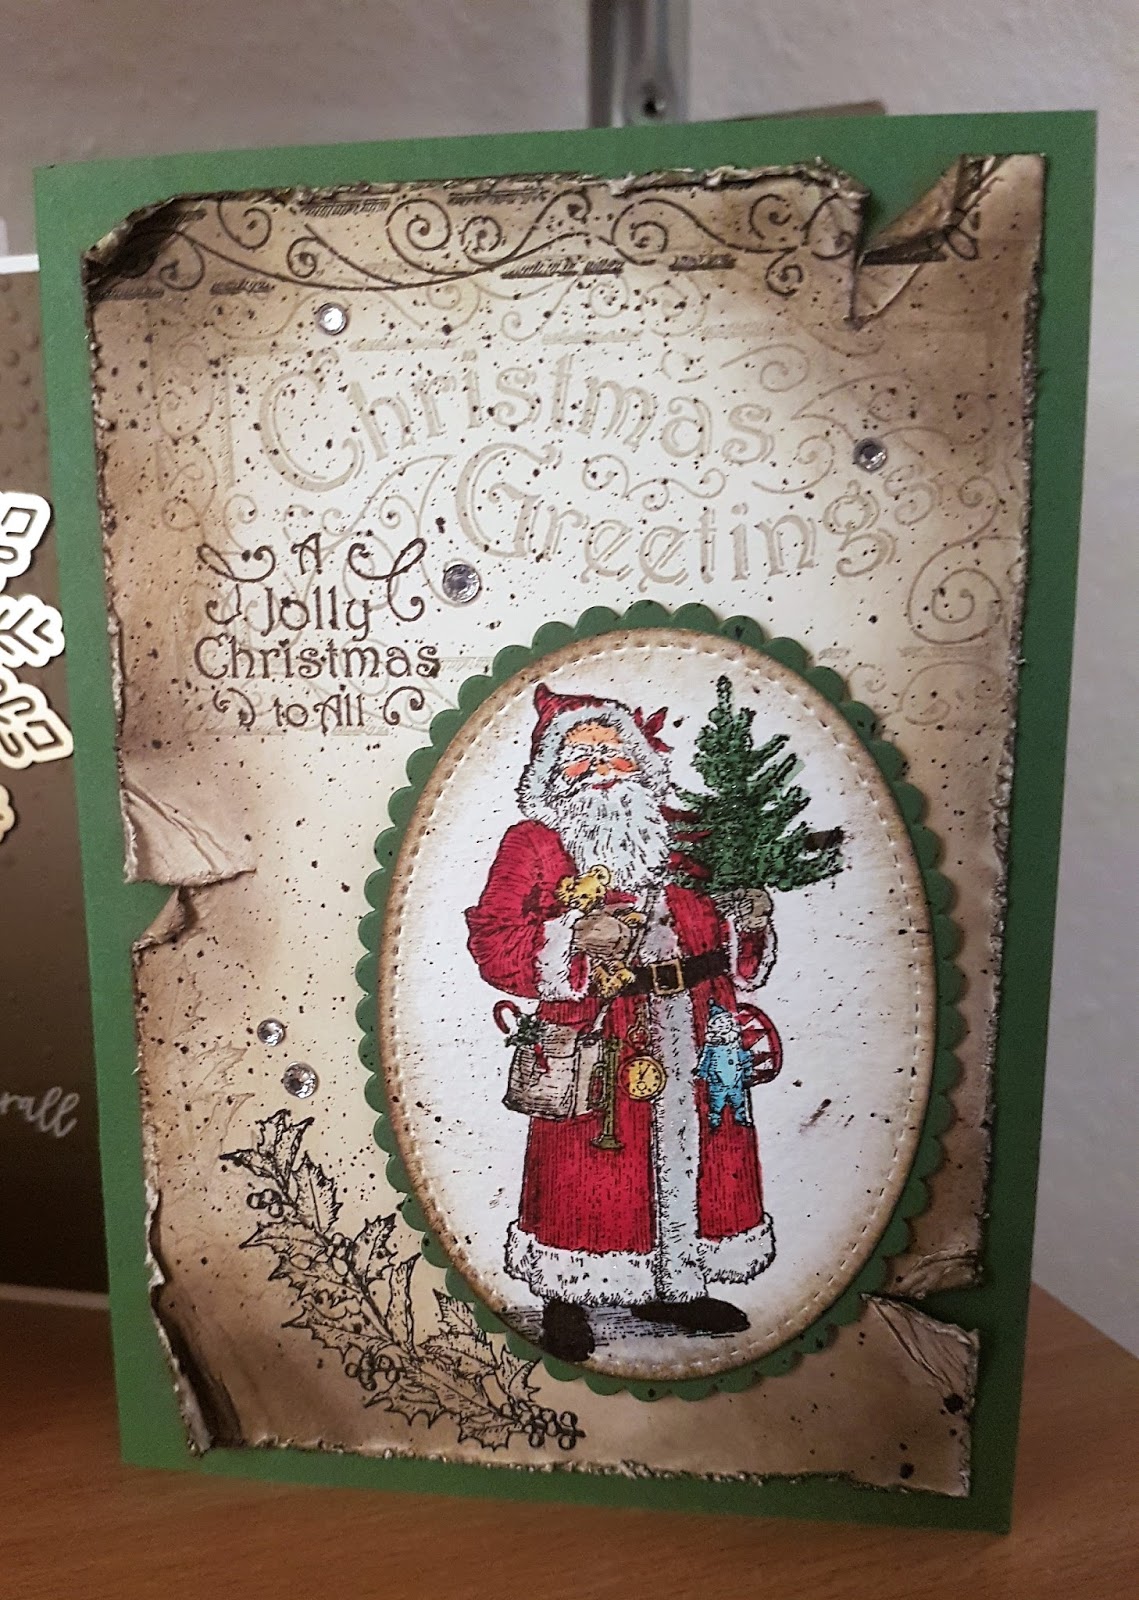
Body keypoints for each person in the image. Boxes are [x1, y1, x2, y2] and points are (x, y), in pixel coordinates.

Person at [465, 683, 777, 1363]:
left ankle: (677, 1285)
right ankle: (566, 1293)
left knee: (697, 1153)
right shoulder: (535, 843)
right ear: (551, 771)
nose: (599, 766)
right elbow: (493, 939)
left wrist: (749, 919)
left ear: (641, 759)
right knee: (587, 1167)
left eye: (612, 751)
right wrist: (573, 937)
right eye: (579, 756)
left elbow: (720, 935)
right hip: (598, 1031)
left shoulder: (682, 833)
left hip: (694, 1025)